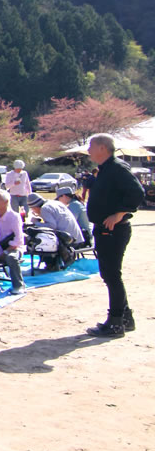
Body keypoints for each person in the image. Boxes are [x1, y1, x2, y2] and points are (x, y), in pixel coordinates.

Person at [84, 133, 144, 337]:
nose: (88, 150)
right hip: (104, 229)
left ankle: (116, 322)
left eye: (91, 146)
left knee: (112, 275)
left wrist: (120, 213)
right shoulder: (105, 169)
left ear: (103, 147)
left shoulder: (117, 168)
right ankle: (125, 318)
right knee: (110, 274)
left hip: (113, 230)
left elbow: (137, 192)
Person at [0, 189, 26, 295]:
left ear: (6, 202)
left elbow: (19, 239)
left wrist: (6, 251)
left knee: (11, 258)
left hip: (14, 248)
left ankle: (18, 285)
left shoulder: (14, 217)